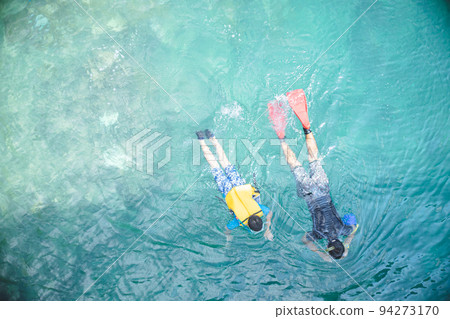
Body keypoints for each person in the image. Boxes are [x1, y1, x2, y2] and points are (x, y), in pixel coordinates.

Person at [270, 90, 358, 261]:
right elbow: (305, 240)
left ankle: (306, 128)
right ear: (327, 247)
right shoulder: (318, 234)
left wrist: (346, 245)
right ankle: (282, 139)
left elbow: (353, 228)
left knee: (314, 159)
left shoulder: (343, 229)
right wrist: (321, 254)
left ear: (340, 242)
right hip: (309, 194)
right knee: (295, 165)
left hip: (322, 188)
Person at [196, 129, 274, 241]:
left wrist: (268, 229)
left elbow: (269, 212)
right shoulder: (238, 221)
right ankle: (201, 139)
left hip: (239, 185)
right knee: (214, 165)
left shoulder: (259, 209)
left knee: (225, 162)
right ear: (247, 224)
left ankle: (212, 138)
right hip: (227, 191)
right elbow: (227, 228)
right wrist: (228, 238)